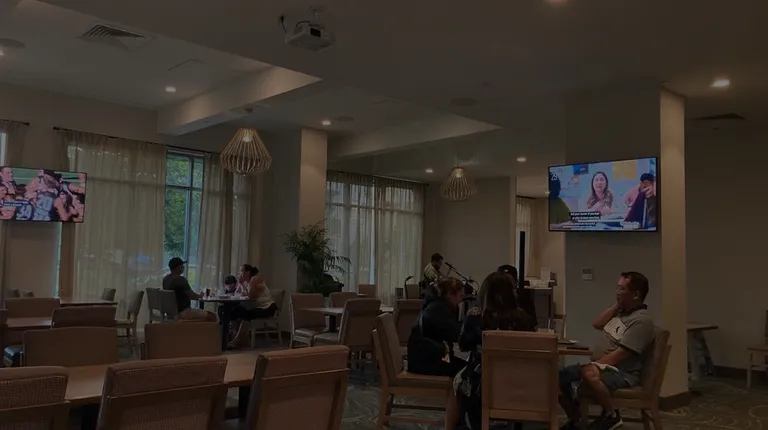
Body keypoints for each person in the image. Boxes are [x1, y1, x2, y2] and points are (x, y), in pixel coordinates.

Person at [559, 272, 655, 430]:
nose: (617, 292)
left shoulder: (641, 321)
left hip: (622, 372)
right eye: (617, 288)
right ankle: (576, 421)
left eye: (621, 289)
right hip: (603, 366)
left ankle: (612, 415)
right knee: (559, 377)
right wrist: (617, 306)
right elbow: (596, 323)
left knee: (588, 373)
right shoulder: (621, 313)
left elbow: (621, 354)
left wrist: (594, 365)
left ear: (636, 294)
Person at [445, 271, 536, 430]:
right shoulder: (523, 318)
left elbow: (463, 345)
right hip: (520, 382)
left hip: (482, 384)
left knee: (457, 382)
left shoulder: (476, 315)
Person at [407, 278, 466, 377]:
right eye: (460, 296)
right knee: (469, 372)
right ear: (450, 294)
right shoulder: (439, 309)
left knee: (467, 368)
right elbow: (456, 334)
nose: (461, 301)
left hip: (424, 358)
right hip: (425, 363)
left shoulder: (435, 305)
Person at [227, 264, 278, 348]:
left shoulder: (254, 279)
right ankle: (242, 338)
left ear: (248, 272)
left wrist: (242, 285)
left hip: (268, 307)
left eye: (241, 271)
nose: (239, 274)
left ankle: (237, 340)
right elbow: (236, 293)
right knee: (235, 311)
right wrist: (242, 286)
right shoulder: (246, 282)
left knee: (247, 315)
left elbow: (250, 296)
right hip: (258, 307)